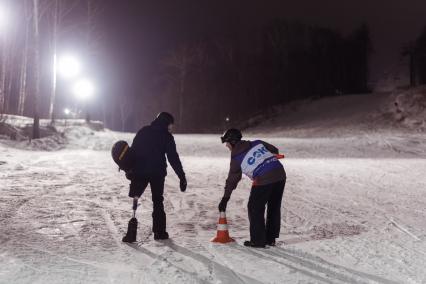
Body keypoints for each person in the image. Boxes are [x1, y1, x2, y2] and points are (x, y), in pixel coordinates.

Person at [218, 128, 286, 248]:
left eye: (227, 144)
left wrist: (225, 198)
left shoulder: (236, 158)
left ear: (232, 142)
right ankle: (270, 239)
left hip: (263, 178)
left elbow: (232, 180)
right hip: (279, 174)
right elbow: (274, 150)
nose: (227, 146)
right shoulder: (257, 143)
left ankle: (258, 240)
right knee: (274, 206)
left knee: (254, 208)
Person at [125, 112, 187, 241]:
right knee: (158, 201)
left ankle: (131, 232)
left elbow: (133, 150)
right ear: (165, 123)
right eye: (170, 125)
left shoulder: (144, 131)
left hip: (140, 171)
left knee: (136, 196)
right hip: (157, 173)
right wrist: (181, 176)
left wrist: (129, 169)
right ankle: (159, 232)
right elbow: (173, 158)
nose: (171, 127)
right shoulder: (167, 137)